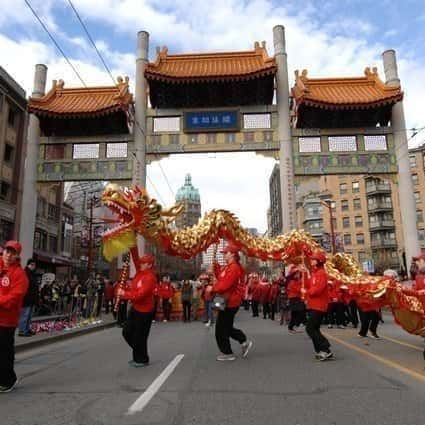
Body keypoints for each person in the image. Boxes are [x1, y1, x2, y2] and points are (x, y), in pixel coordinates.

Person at [212, 242, 252, 361]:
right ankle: (243, 341)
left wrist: (212, 288)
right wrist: (215, 266)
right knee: (226, 327)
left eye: (226, 253)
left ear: (233, 254)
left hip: (229, 301)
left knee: (221, 328)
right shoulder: (228, 267)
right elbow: (221, 277)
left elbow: (225, 284)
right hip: (223, 299)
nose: (224, 255)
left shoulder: (234, 268)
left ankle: (228, 352)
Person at [0, 240, 29, 392]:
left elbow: (15, 297)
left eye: (13, 253)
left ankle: (8, 380)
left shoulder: (19, 275)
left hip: (7, 321)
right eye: (7, 251)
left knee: (4, 352)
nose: (8, 255)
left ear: (17, 255)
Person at [119, 254, 157, 367]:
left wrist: (124, 294)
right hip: (135, 308)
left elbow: (140, 295)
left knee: (140, 336)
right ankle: (141, 355)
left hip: (145, 311)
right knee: (126, 332)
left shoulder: (150, 278)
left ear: (149, 265)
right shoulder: (139, 272)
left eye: (144, 262)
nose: (141, 264)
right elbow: (135, 255)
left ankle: (141, 359)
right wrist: (130, 240)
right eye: (141, 262)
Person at [301, 250, 334, 361]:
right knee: (314, 328)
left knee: (310, 328)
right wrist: (305, 273)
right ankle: (321, 350)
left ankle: (325, 349)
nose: (311, 261)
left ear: (319, 261)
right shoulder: (315, 273)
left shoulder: (322, 274)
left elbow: (316, 290)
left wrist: (306, 292)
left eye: (313, 259)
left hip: (319, 306)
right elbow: (307, 284)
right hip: (313, 305)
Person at [18, 259, 37, 337]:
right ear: (28, 265)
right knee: (25, 315)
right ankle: (22, 330)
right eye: (32, 264)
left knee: (29, 316)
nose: (33, 266)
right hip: (26, 298)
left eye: (34, 265)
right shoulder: (25, 273)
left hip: (31, 298)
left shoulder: (32, 273)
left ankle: (27, 329)